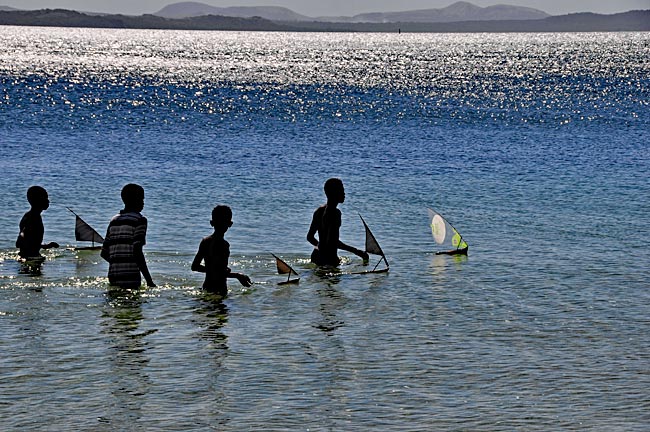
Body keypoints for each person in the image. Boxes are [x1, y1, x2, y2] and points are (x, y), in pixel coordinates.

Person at [101, 184, 156, 288]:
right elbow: (137, 251)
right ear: (136, 200)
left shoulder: (114, 220)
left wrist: (118, 263)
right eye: (141, 199)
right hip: (131, 277)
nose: (143, 202)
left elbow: (104, 253)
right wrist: (149, 280)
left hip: (113, 276)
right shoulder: (140, 220)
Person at [192, 205, 252, 296]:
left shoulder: (205, 241)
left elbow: (195, 267)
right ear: (230, 224)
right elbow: (218, 273)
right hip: (220, 290)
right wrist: (237, 275)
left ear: (212, 223)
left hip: (207, 287)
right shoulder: (223, 245)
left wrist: (212, 270)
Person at [307, 178, 369, 266]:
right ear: (333, 193)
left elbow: (310, 237)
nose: (344, 193)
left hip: (316, 255)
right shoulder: (335, 214)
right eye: (341, 190)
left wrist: (320, 247)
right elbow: (334, 241)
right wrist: (357, 251)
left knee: (321, 279)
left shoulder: (319, 211)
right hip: (329, 259)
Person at [16, 186, 59, 259]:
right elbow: (23, 238)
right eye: (45, 198)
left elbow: (32, 240)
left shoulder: (33, 216)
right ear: (37, 201)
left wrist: (45, 246)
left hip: (29, 256)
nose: (48, 201)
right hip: (29, 257)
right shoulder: (33, 218)